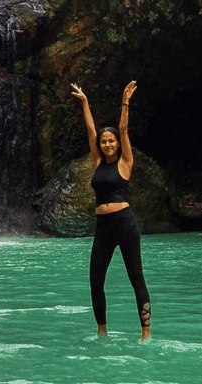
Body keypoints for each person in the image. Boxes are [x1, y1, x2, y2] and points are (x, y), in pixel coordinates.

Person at [71, 80, 151, 339]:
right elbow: (90, 128)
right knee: (95, 282)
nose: (106, 144)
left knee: (136, 279)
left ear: (118, 144)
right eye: (104, 142)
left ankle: (146, 333)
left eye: (111, 141)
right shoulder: (97, 161)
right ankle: (102, 332)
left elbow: (124, 129)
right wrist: (84, 102)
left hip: (125, 224)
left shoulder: (126, 162)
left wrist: (125, 102)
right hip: (103, 227)